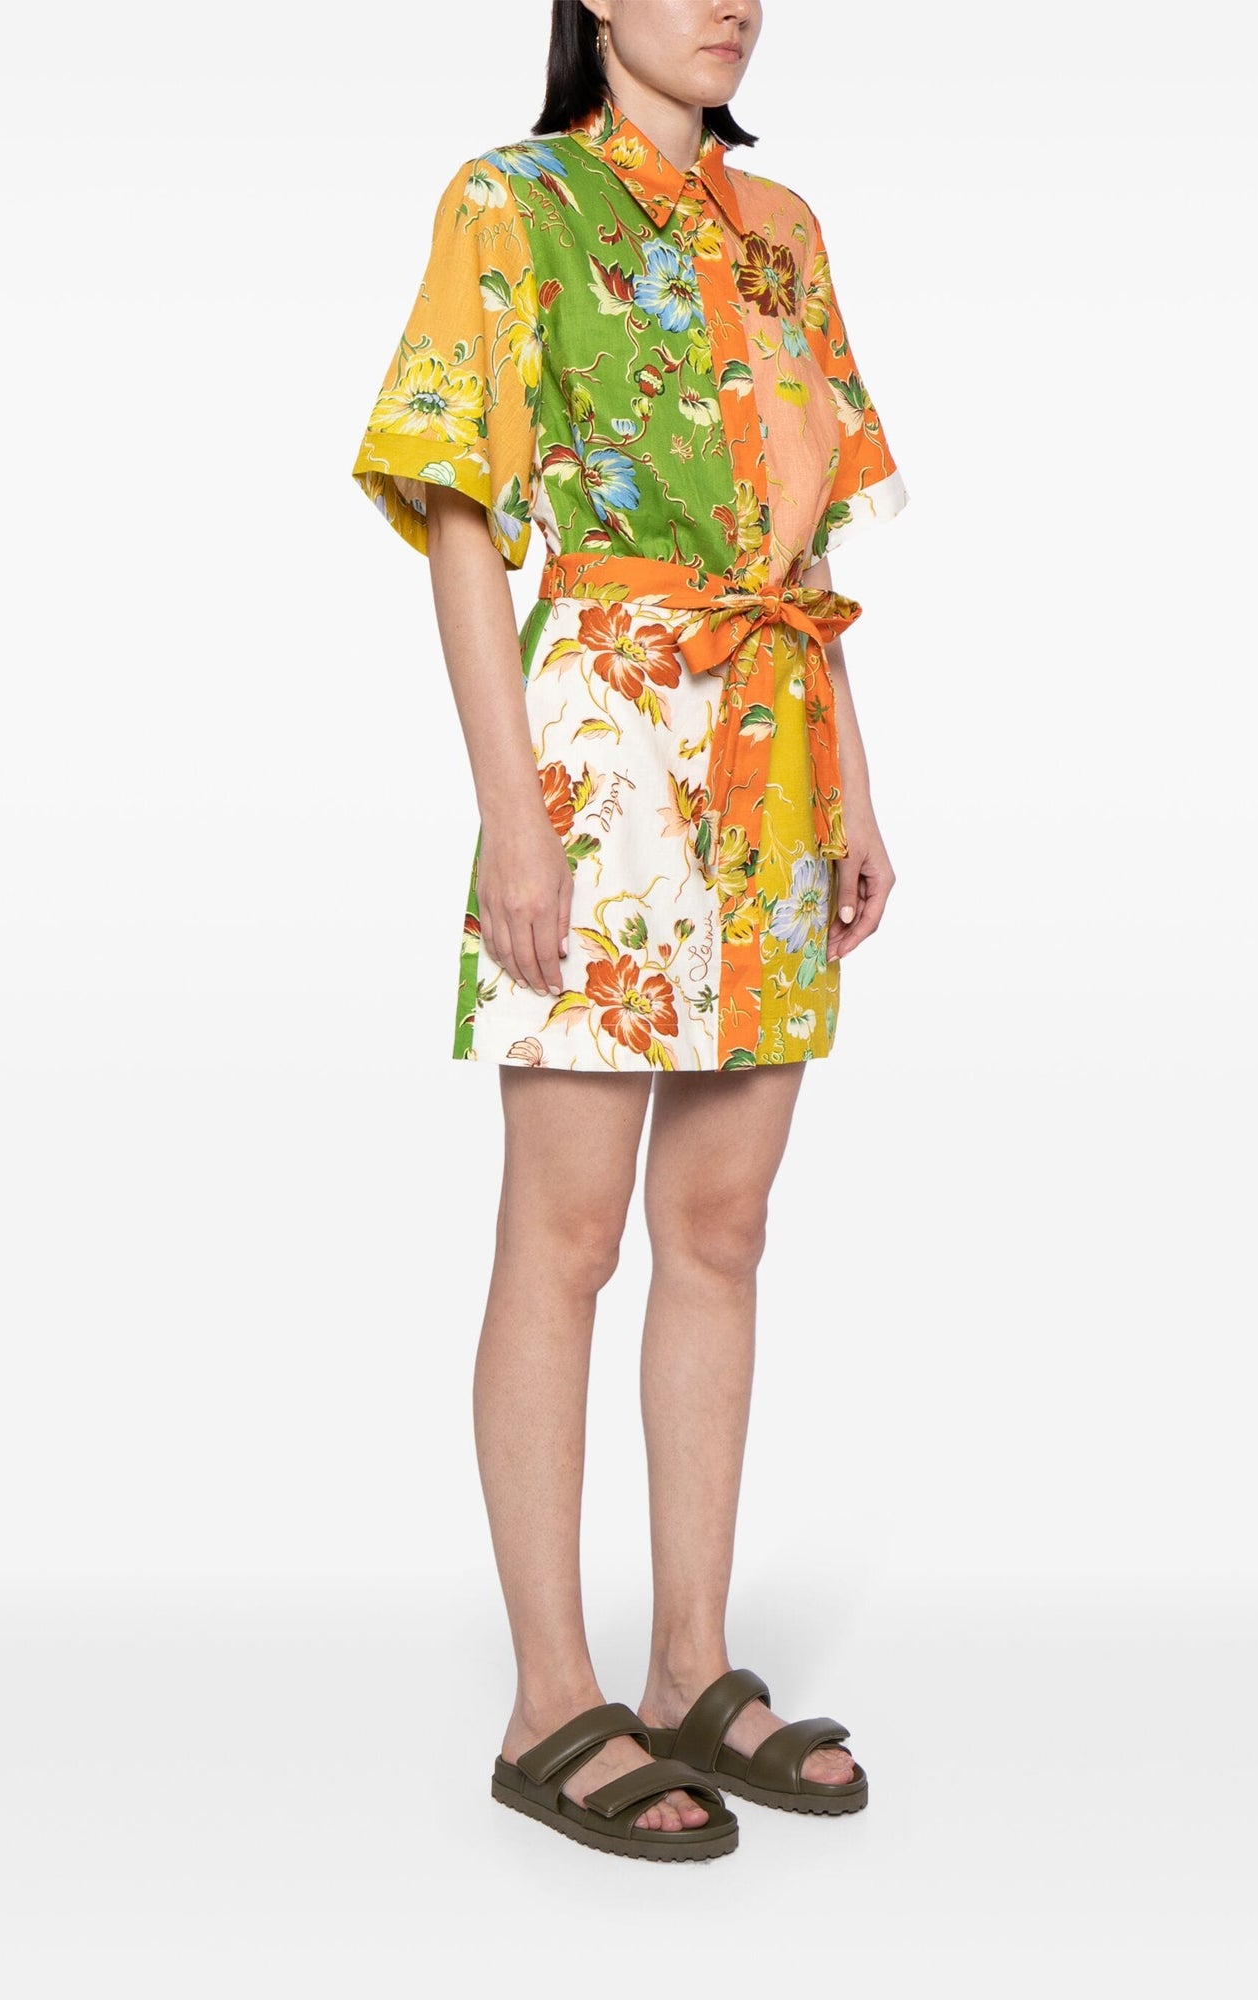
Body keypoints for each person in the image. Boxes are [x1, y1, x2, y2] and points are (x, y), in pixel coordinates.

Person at [350, 0, 908, 1861]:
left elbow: (810, 559)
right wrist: (515, 810)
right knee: (568, 1234)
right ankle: (547, 1700)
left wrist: (856, 785)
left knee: (724, 1228)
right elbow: (457, 515)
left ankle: (687, 1666)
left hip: (775, 750)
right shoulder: (510, 203)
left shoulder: (786, 232)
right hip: (604, 752)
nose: (733, 3)